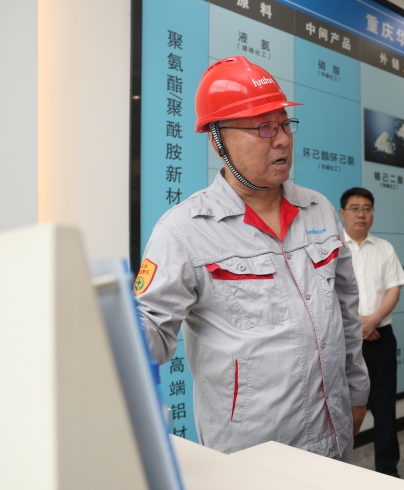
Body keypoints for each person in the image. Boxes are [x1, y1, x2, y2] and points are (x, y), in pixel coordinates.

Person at [134, 56, 369, 460]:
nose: (282, 140)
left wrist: (358, 391)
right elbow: (151, 325)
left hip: (334, 435)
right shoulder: (183, 230)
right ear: (217, 140)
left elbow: (345, 312)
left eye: (284, 124)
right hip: (253, 454)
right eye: (263, 127)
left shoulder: (319, 210)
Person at [339, 187, 404, 477]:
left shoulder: (384, 248)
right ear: (342, 213)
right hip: (344, 341)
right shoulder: (333, 247)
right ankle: (340, 472)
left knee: (384, 409)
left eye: (367, 208)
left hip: (381, 338)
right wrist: (358, 326)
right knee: (341, 409)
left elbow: (394, 289)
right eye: (355, 208)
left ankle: (388, 472)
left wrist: (372, 321)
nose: (361, 214)